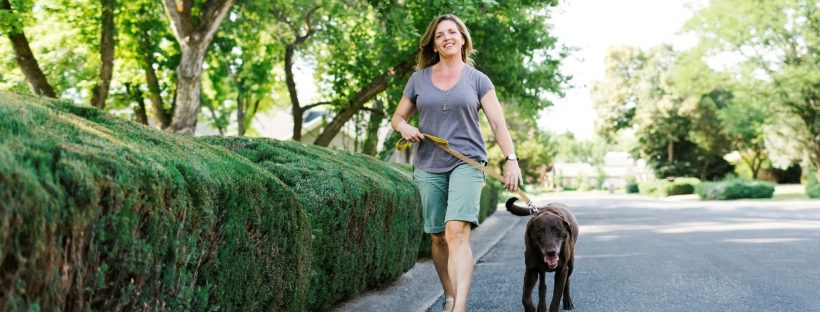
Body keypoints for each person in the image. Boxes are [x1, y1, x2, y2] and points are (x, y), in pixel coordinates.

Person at [390, 14, 523, 312]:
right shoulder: (418, 80)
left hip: (468, 162)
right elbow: (397, 117)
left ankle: (458, 308)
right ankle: (450, 295)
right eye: (440, 35)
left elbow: (499, 125)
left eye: (453, 32)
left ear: (463, 39)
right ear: (434, 44)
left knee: (456, 231)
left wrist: (511, 160)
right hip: (428, 163)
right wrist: (404, 127)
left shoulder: (478, 80)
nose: (447, 37)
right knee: (438, 236)